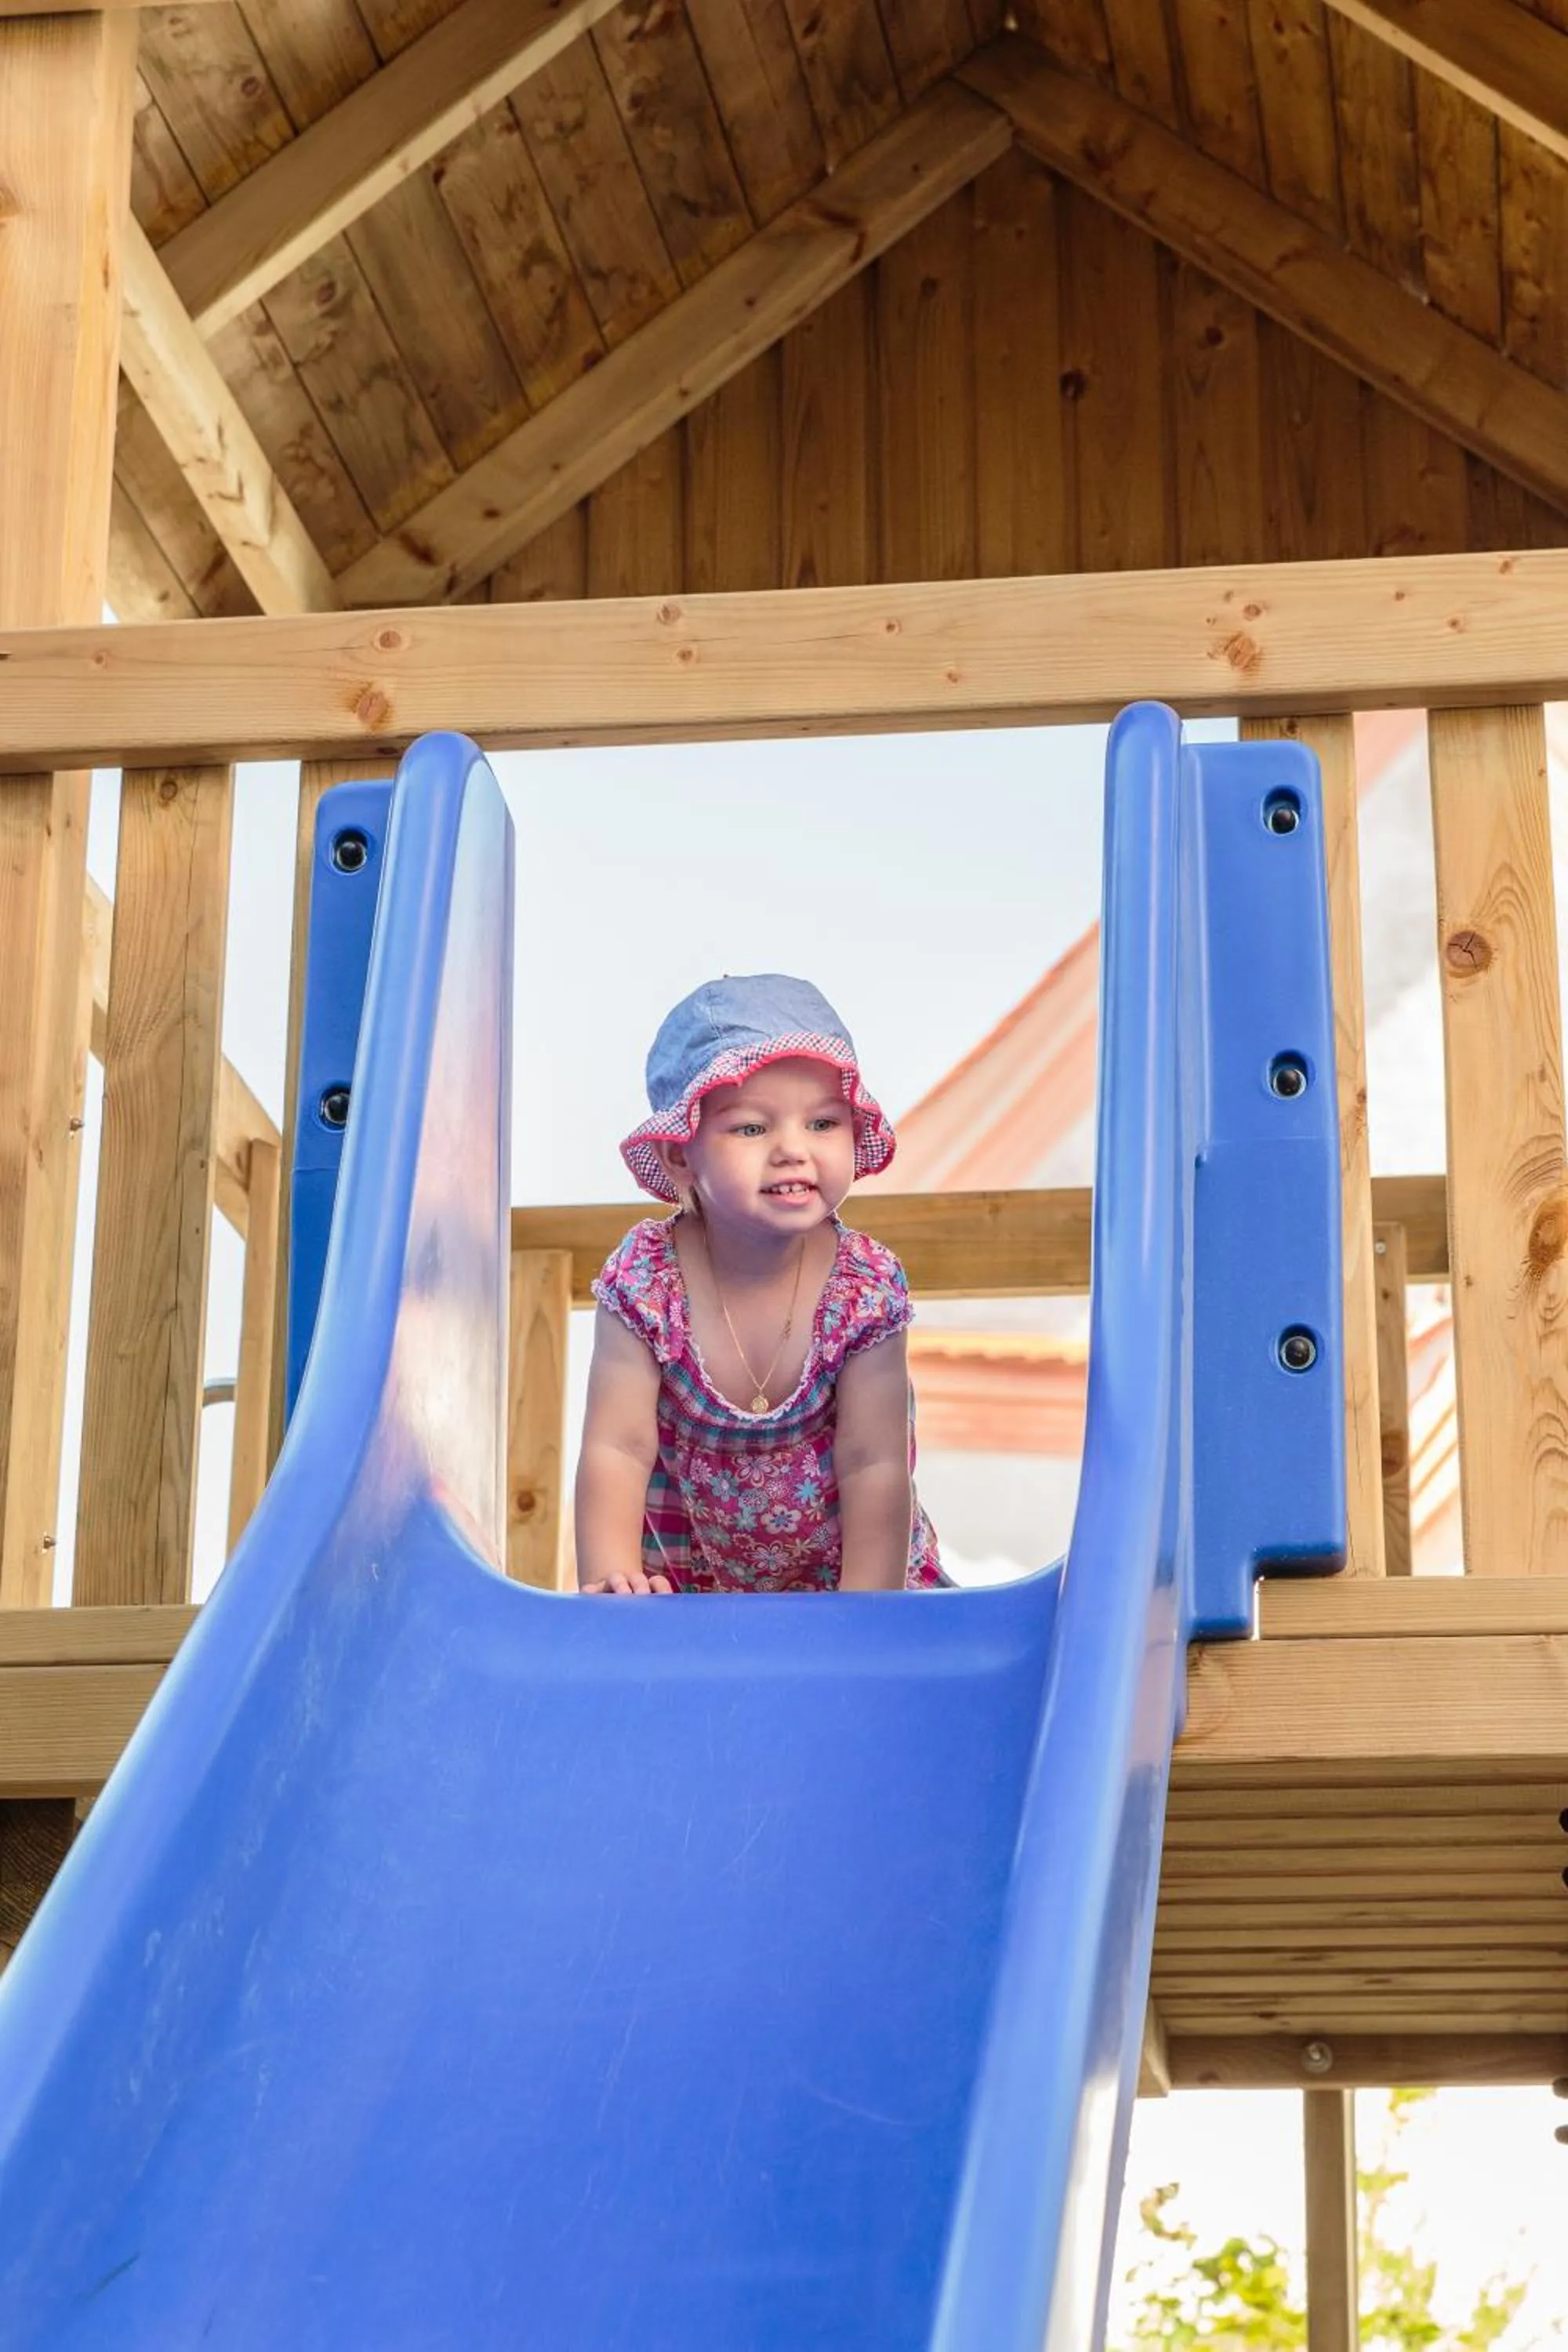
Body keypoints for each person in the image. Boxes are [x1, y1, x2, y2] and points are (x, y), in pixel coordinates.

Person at [576, 974, 943, 1595]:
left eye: (823, 1124)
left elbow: (873, 1462)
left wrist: (870, 1622)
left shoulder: (864, 1289)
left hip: (852, 1582)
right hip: (702, 1593)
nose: (792, 1151)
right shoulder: (647, 1280)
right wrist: (612, 1587)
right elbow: (619, 1446)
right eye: (752, 1129)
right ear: (679, 1154)